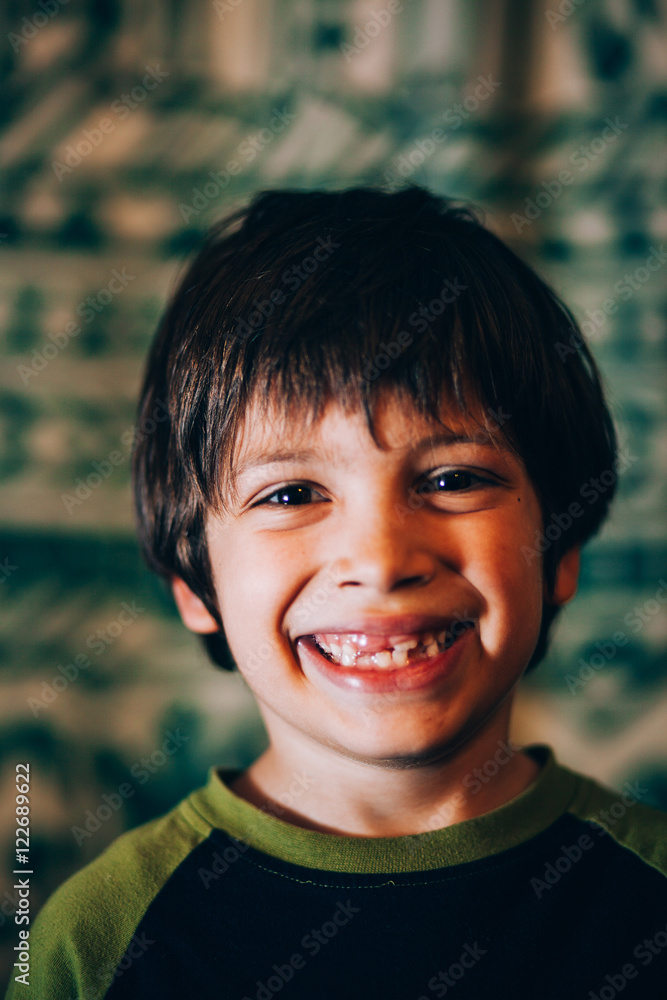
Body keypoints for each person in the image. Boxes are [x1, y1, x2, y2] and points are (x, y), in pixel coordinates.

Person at [7, 187, 666, 1000]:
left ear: (559, 550)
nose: (380, 561)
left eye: (453, 479)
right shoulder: (96, 942)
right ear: (194, 583)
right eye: (291, 494)